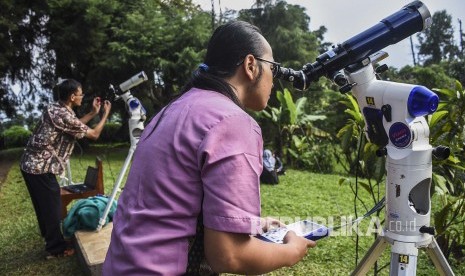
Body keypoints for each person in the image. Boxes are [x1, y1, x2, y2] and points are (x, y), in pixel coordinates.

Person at [103, 20, 315, 275]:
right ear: (250, 65)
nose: (274, 79)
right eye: (274, 68)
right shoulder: (233, 122)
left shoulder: (172, 110)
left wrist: (252, 223)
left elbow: (170, 205)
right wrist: (291, 251)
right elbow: (230, 256)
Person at [20, 79, 111, 259]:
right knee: (52, 207)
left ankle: (51, 239)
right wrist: (104, 115)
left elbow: (73, 125)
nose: (82, 97)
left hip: (29, 164)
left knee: (43, 205)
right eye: (80, 94)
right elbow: (93, 134)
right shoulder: (64, 115)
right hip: (39, 167)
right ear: (72, 96)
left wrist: (93, 112)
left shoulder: (56, 108)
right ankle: (56, 249)